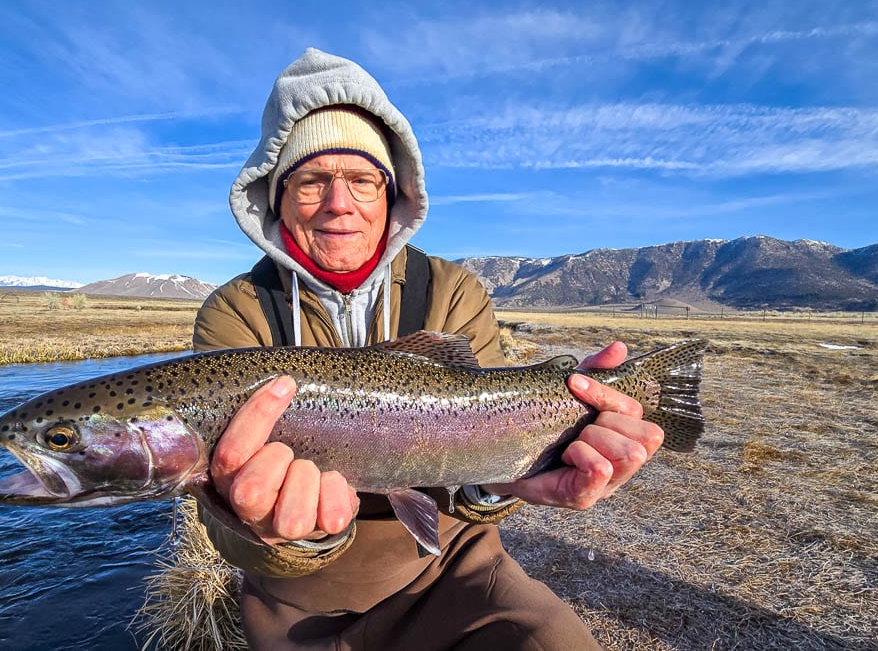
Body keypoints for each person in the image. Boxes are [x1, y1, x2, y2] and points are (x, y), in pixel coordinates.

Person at [190, 48, 664, 649]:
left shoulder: (452, 288)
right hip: (294, 596)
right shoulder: (236, 310)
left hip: (452, 564)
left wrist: (512, 476)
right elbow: (215, 512)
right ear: (275, 198)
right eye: (312, 181)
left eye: (363, 180)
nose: (340, 202)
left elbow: (484, 466)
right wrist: (271, 528)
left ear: (392, 195)